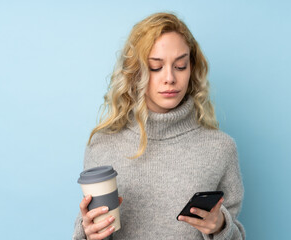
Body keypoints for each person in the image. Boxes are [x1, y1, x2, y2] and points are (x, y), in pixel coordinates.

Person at [73, 12, 245, 240]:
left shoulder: (220, 148)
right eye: (155, 67)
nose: (170, 78)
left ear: (192, 69)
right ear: (135, 72)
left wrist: (220, 226)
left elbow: (236, 235)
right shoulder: (102, 146)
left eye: (181, 66)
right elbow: (90, 227)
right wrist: (87, 233)